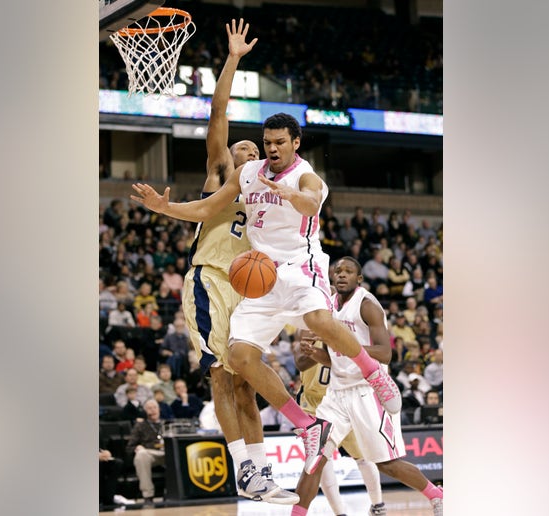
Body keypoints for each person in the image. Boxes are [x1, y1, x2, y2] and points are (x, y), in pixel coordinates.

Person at [131, 107, 403, 476]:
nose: (272, 148)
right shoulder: (247, 173)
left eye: (279, 142)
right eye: (267, 142)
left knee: (318, 320)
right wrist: (166, 208)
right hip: (262, 276)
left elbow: (310, 201)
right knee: (240, 357)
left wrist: (289, 196)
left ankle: (374, 372)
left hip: (299, 266)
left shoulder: (308, 176)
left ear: (295, 143)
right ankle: (307, 426)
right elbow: (208, 207)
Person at [164, 20, 296, 504]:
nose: (249, 151)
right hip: (209, 279)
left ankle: (261, 475)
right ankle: (244, 470)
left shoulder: (264, 191)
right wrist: (234, 58)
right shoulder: (224, 172)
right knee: (221, 373)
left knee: (245, 377)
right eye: (243, 147)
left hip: (247, 288)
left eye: (254, 149)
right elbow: (218, 111)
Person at [290, 257, 443, 516]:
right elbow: (335, 360)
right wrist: (315, 354)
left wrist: (342, 344)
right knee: (314, 460)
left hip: (368, 391)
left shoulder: (367, 305)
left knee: (387, 465)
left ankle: (436, 495)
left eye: (348, 271)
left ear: (359, 279)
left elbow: (385, 353)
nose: (341, 275)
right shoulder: (328, 307)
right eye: (337, 271)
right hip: (336, 395)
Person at [293, 325, 385, 516]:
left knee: (362, 457)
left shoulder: (343, 331)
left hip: (340, 399)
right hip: (314, 404)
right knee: (321, 461)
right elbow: (301, 363)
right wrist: (321, 348)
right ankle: (341, 513)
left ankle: (378, 505)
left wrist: (332, 344)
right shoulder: (308, 330)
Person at [126, 399, 166, 507]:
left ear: (159, 409)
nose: (152, 411)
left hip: (169, 452)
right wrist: (137, 447)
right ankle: (148, 496)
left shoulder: (168, 423)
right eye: (149, 408)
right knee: (141, 455)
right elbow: (129, 447)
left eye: (154, 408)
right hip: (151, 453)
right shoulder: (140, 426)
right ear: (145, 411)